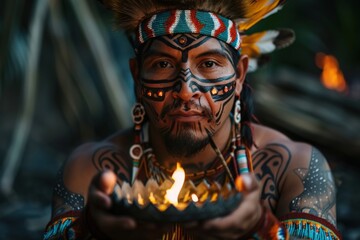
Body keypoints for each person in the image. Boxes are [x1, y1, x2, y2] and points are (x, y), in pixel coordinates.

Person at [43, 0, 342, 239]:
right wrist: (92, 228)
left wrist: (263, 227)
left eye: (209, 63)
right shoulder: (89, 170)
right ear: (137, 76)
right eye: (162, 64)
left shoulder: (293, 167)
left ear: (239, 76)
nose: (185, 91)